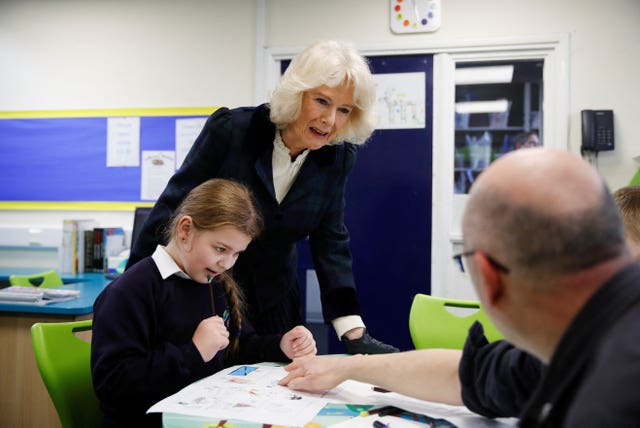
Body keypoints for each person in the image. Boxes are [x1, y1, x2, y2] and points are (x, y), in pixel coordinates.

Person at [283, 148, 640, 426]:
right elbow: (466, 373)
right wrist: (348, 368)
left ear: (488, 276)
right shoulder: (574, 341)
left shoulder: (610, 397)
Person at [126, 40, 398, 354]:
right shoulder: (233, 131)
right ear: (297, 93)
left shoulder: (336, 158)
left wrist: (352, 331)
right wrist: (134, 289)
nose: (330, 120)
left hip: (276, 301)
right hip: (208, 292)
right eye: (322, 101)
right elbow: (172, 208)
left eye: (344, 110)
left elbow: (330, 239)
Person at [91, 179, 317, 428]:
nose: (227, 263)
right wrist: (194, 351)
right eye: (220, 248)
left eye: (236, 253)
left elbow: (237, 347)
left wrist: (281, 345)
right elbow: (113, 384)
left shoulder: (214, 283)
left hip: (206, 416)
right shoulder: (130, 292)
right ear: (185, 230)